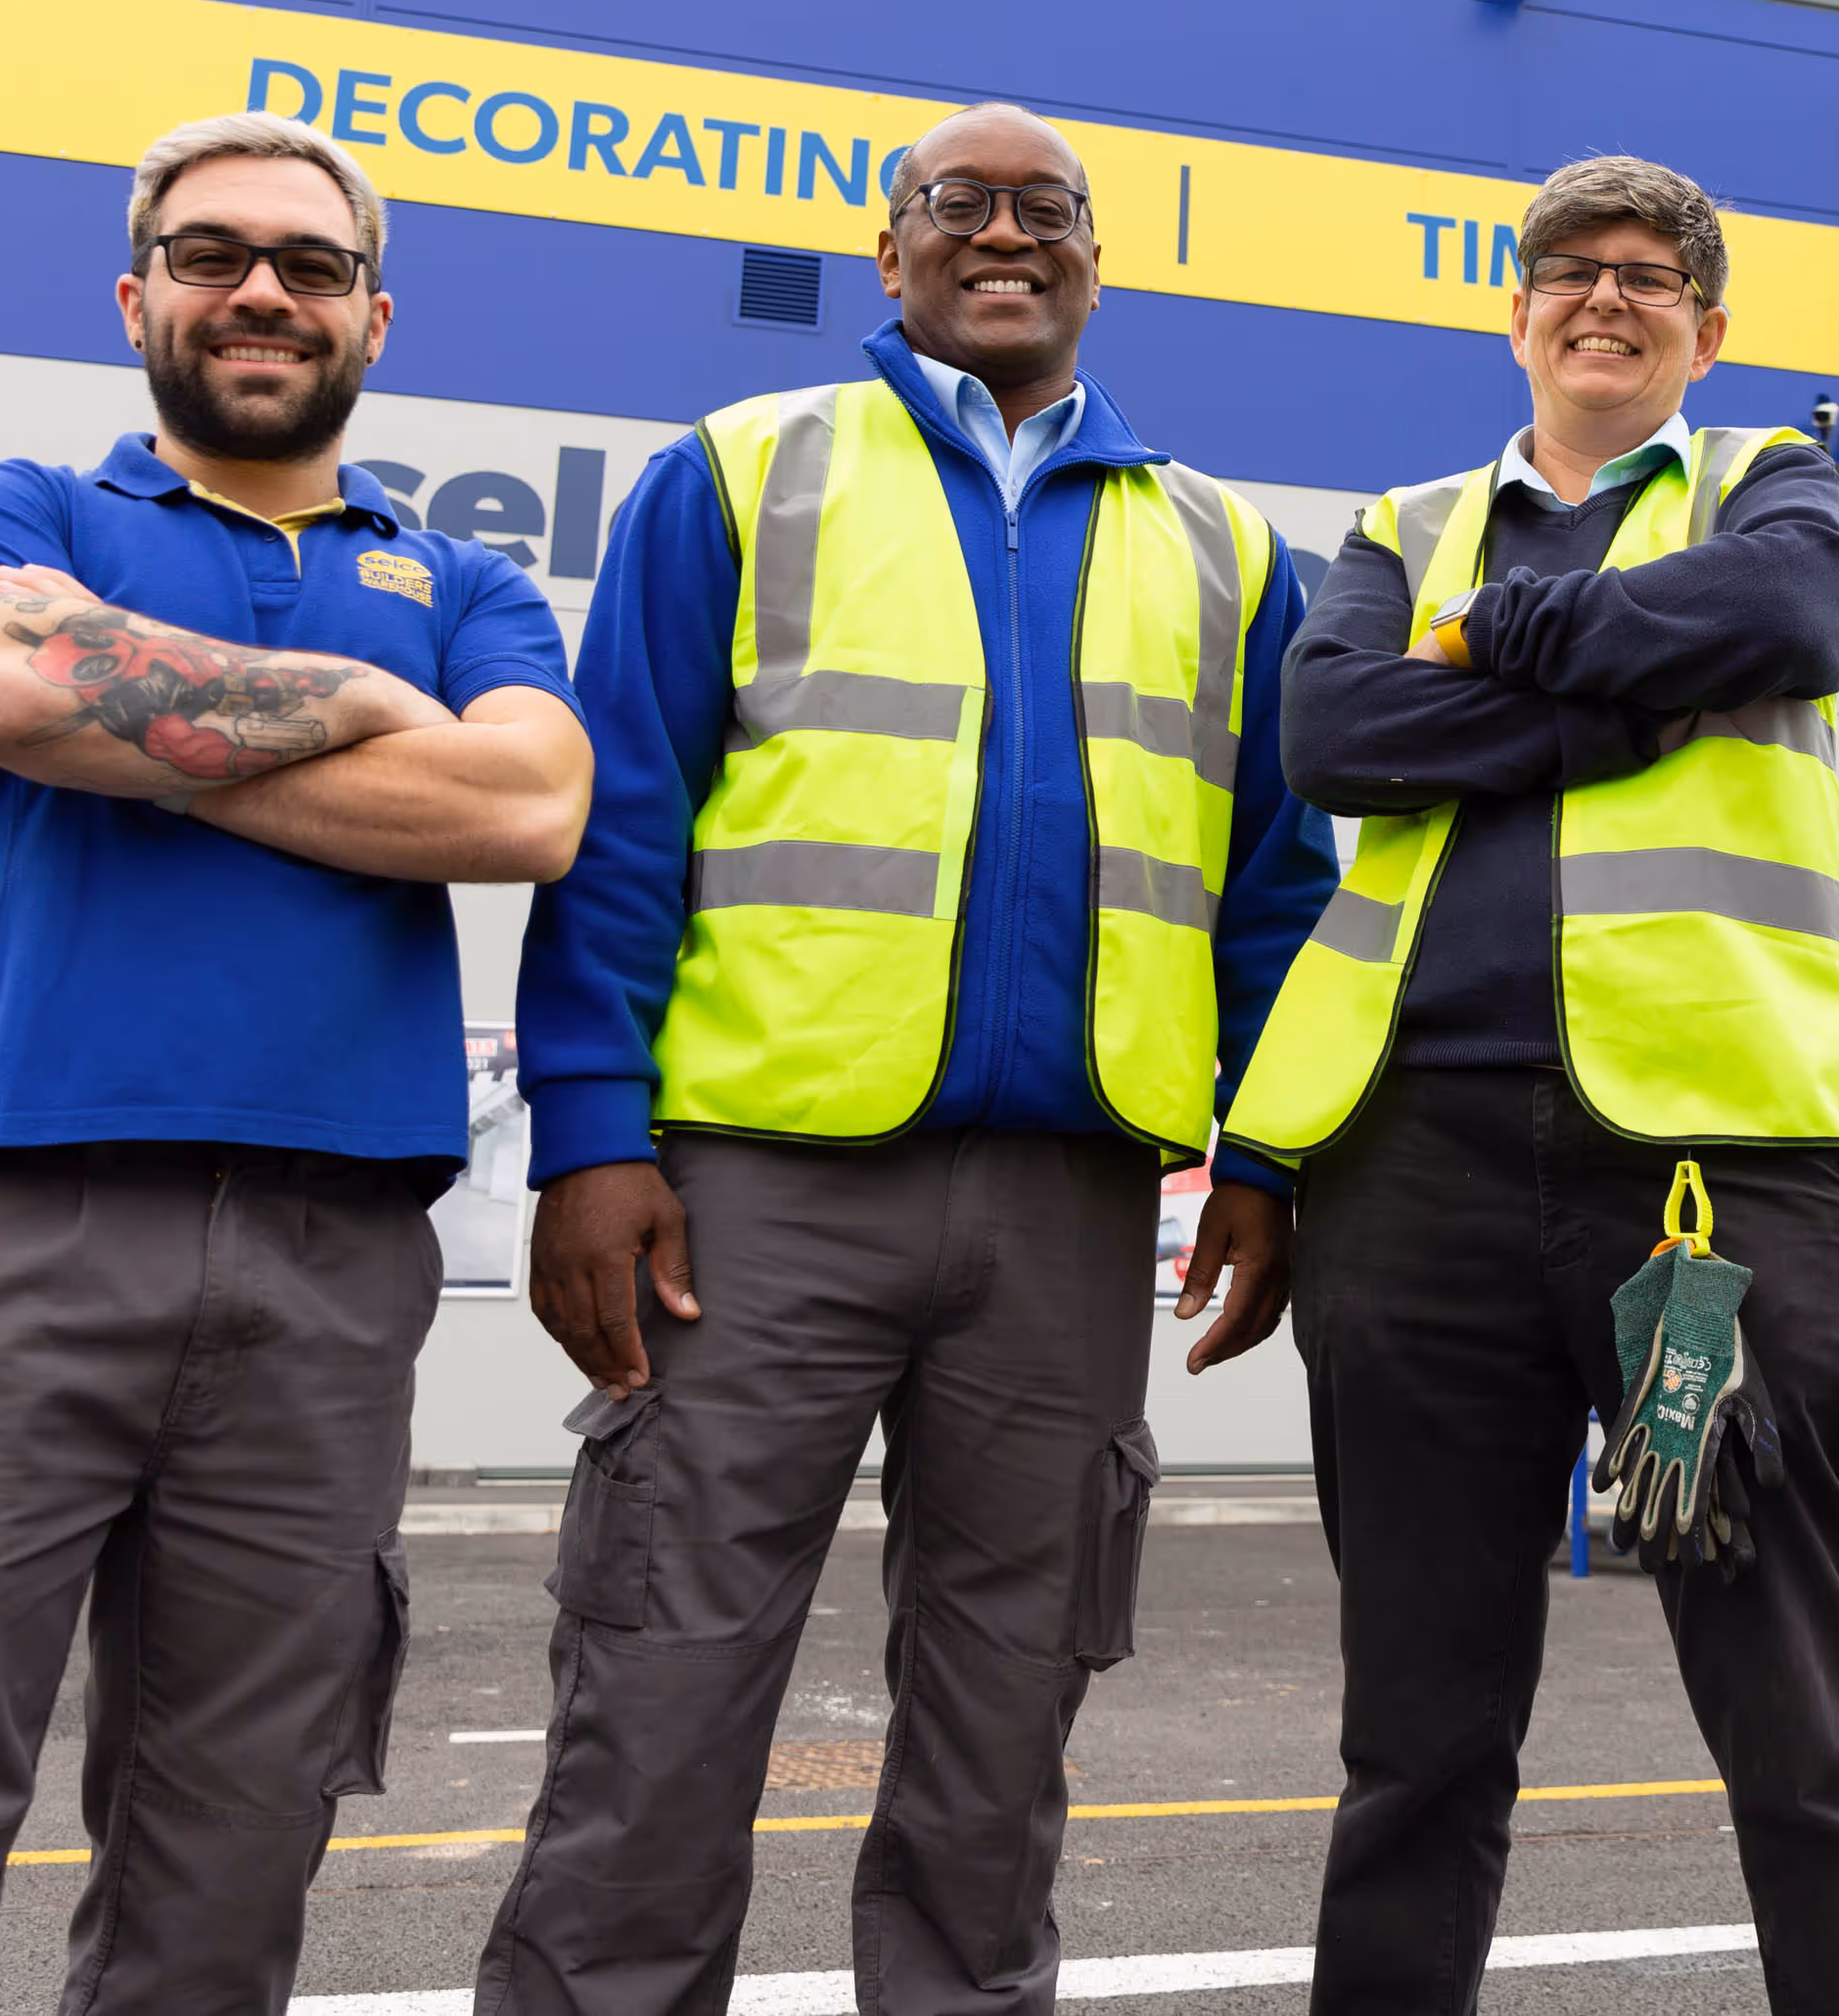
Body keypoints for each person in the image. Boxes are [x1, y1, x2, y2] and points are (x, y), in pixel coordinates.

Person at [0, 115, 595, 2015]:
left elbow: (527, 808)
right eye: (209, 253)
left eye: (309, 263)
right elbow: (7, 686)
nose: (260, 288)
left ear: (373, 312)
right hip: (1, 1219)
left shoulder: (469, 584)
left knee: (239, 1816)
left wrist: (149, 721)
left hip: (332, 1259)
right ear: (134, 296)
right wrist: (359, 710)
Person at [479, 102, 1335, 2016]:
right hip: (750, 1199)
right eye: (960, 204)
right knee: (663, 1680)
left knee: (1006, 1699)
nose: (1006, 232)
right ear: (890, 255)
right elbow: (625, 824)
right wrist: (587, 1137)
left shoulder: (1222, 547)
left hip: (1070, 1207)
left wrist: (1270, 1161)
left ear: (1098, 263)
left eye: (1051, 210)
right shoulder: (740, 475)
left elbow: (1275, 889)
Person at [1218, 155, 1839, 2013]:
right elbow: (1336, 734)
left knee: (1786, 1704)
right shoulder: (1397, 523)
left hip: (1704, 1194)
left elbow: (1790, 624)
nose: (1607, 298)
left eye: (1653, 277)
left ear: (1708, 330)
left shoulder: (1779, 490)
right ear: (1521, 309)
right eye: (1571, 270)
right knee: (1419, 1725)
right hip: (1416, 1183)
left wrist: (1491, 644)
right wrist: (1640, 687)